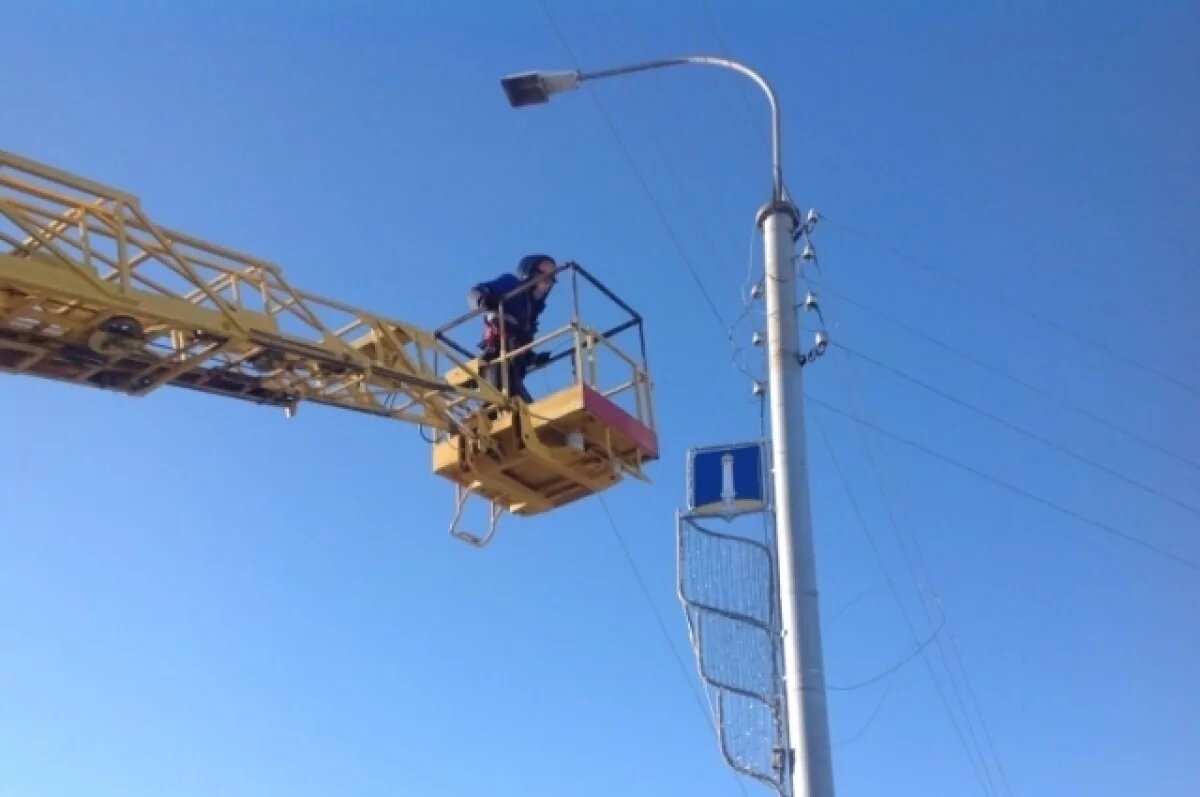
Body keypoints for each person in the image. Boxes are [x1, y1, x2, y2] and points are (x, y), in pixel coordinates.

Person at [467, 253, 559, 403]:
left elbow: (521, 346)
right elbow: (475, 292)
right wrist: (483, 301)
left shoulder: (529, 316)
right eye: (543, 277)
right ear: (528, 274)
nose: (546, 284)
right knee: (500, 402)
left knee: (521, 407)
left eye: (550, 280)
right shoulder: (512, 286)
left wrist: (534, 358)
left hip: (513, 369)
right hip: (496, 361)